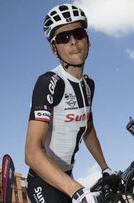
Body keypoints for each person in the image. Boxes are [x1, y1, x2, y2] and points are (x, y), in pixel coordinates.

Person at [25, 4, 115, 203]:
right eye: (63, 38)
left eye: (78, 33)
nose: (73, 42)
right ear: (53, 48)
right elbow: (31, 153)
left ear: (88, 41)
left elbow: (88, 128)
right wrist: (77, 191)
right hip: (42, 180)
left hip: (67, 177)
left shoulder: (88, 85)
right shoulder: (49, 82)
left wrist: (105, 168)